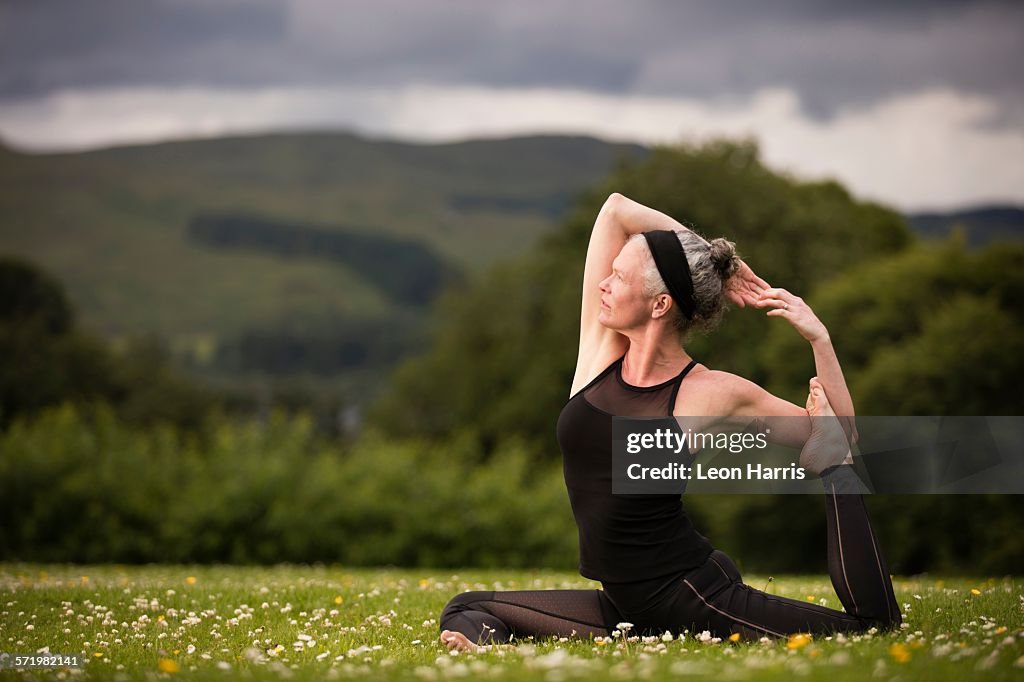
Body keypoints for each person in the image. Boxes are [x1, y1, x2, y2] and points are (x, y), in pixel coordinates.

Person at [439, 193, 901, 650]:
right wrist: (719, 260)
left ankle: (846, 519)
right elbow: (617, 209)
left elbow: (843, 432)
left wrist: (820, 340)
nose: (604, 283)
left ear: (659, 305)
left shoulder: (712, 392)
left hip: (690, 595)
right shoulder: (600, 354)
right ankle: (484, 649)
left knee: (869, 628)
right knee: (465, 607)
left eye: (619, 277)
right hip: (625, 604)